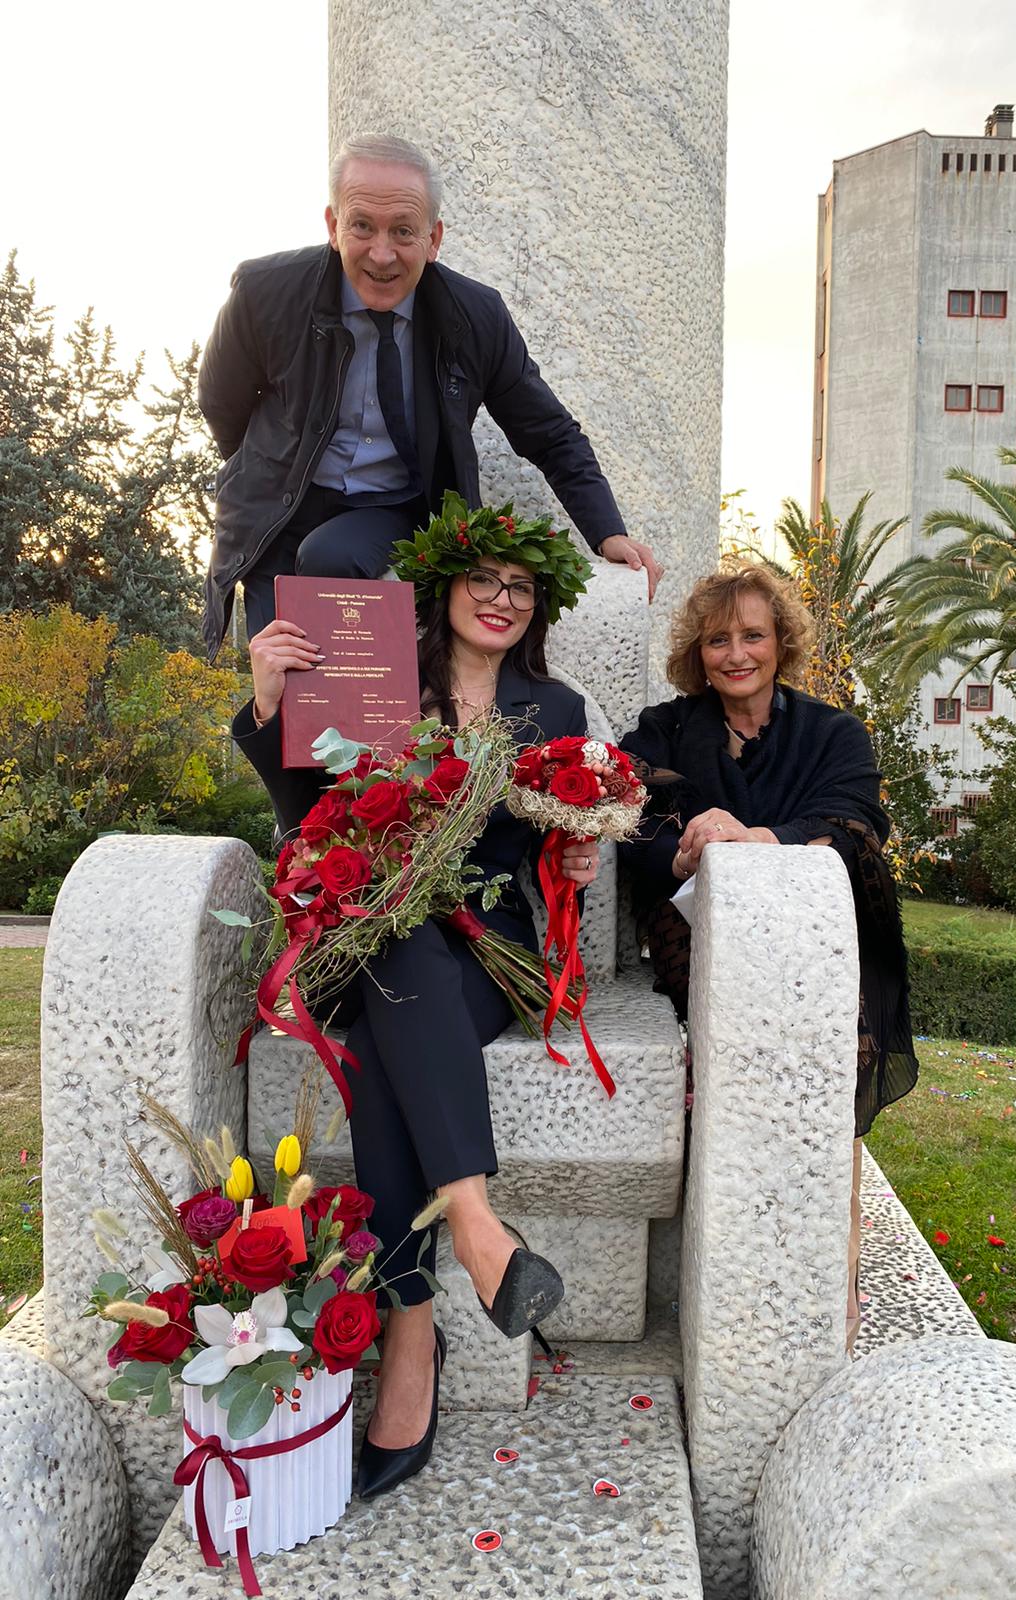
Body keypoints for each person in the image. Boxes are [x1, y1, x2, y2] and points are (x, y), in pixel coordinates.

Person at [233, 509, 599, 1497]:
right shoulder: (380, 675)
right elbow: (307, 807)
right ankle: (477, 1229)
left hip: (485, 945)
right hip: (366, 920)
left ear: (539, 607)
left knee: (387, 1025)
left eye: (522, 586)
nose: (501, 599)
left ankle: (410, 1319)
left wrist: (575, 849)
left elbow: (549, 836)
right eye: (484, 578)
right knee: (397, 943)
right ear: (444, 586)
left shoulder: (556, 703)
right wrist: (270, 702)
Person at [198, 131, 663, 663]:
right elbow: (221, 401)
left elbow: (549, 433)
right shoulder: (264, 293)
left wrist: (608, 533)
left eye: (403, 231)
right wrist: (273, 467)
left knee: (330, 556)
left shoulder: (477, 317)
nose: (382, 254)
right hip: (279, 507)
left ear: (434, 238)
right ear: (333, 226)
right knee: (277, 674)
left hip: (394, 505)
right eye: (362, 226)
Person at [618, 564, 918, 1352]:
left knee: (824, 1067)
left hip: (814, 946)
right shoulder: (664, 728)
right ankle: (734, 1253)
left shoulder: (833, 732)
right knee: (735, 1057)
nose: (736, 654)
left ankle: (832, 1271)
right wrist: (682, 856)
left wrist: (757, 839)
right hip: (698, 938)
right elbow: (624, 818)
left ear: (781, 641)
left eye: (753, 635)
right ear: (698, 652)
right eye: (718, 639)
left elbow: (856, 823)